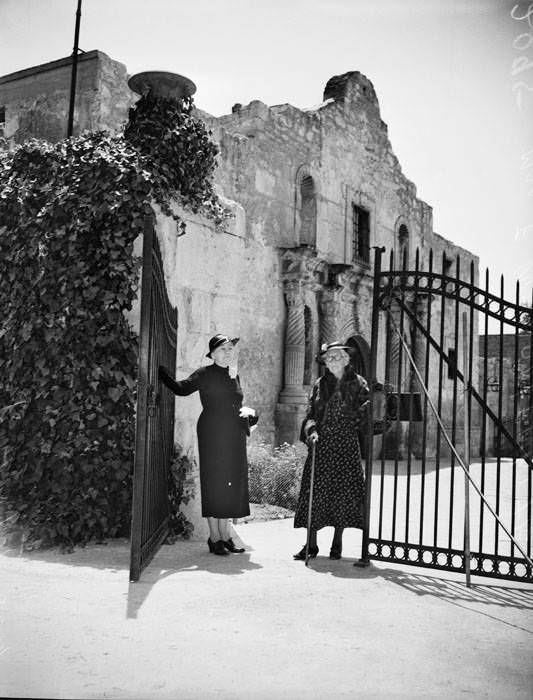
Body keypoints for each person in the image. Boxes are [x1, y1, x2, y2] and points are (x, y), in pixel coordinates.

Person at [158, 334, 258, 556]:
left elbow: (236, 404)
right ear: (212, 354)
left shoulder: (234, 375)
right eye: (223, 349)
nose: (228, 352)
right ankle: (214, 538)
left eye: (230, 349)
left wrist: (251, 414)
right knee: (215, 482)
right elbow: (181, 388)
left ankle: (225, 535)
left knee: (231, 483)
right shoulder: (205, 374)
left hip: (234, 436)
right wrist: (160, 372)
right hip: (213, 433)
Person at [293, 341, 369, 561]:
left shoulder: (357, 383)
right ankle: (311, 545)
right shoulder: (319, 384)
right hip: (322, 445)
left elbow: (366, 410)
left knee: (343, 493)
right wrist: (312, 431)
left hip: (346, 444)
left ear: (346, 359)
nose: (332, 360)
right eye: (329, 357)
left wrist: (359, 415)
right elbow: (310, 414)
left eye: (337, 356)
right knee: (314, 493)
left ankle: (338, 543)